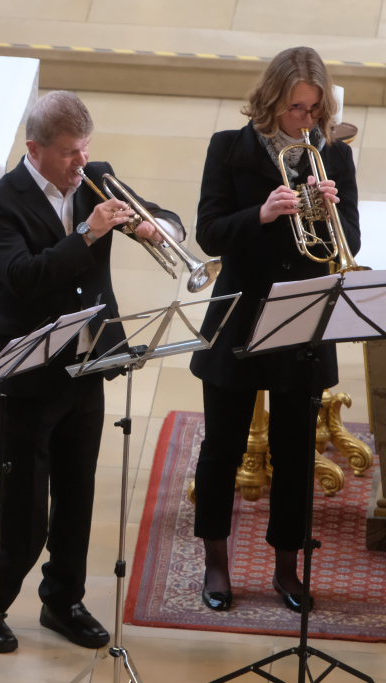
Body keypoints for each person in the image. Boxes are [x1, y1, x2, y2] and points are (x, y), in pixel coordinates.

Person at [0, 91, 184, 653]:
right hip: (26, 374)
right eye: (68, 153)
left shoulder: (95, 177)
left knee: (77, 497)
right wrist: (87, 234)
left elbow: (170, 218)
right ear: (35, 148)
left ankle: (63, 600)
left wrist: (157, 228)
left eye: (85, 149)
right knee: (25, 513)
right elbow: (23, 276)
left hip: (87, 363)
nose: (80, 162)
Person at [189, 46, 359, 613]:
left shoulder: (333, 155)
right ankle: (217, 561)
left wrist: (328, 211)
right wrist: (262, 214)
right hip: (240, 316)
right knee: (222, 448)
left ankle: (287, 566)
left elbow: (350, 241)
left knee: (295, 453)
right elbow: (210, 232)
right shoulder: (228, 148)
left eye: (314, 109)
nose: (305, 120)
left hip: (302, 320)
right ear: (271, 101)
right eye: (295, 108)